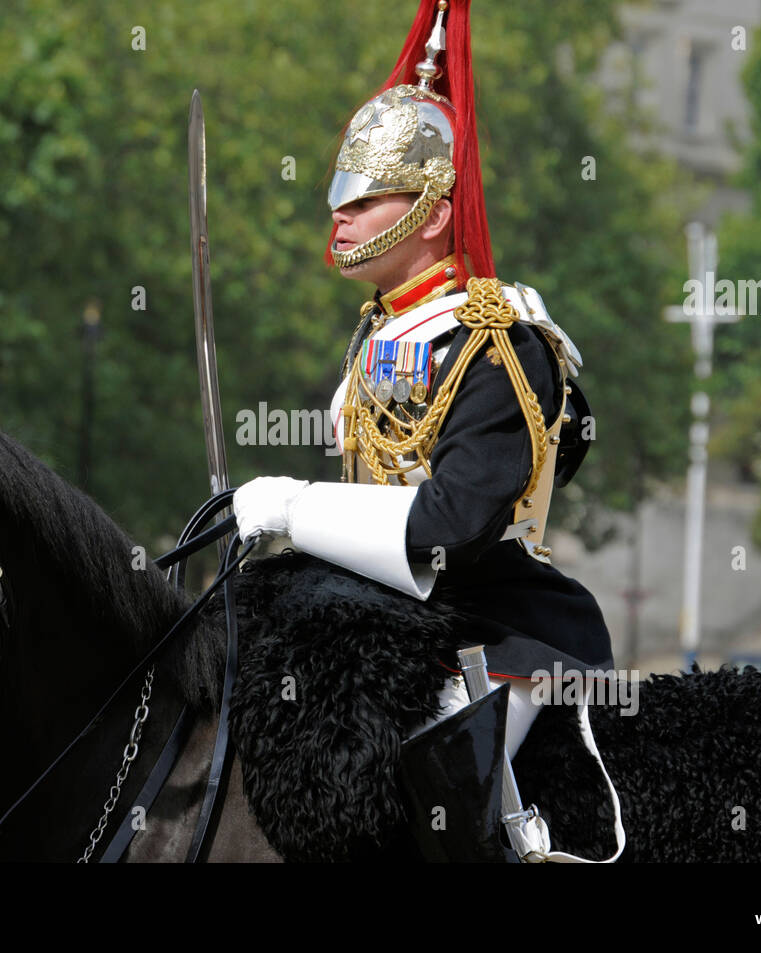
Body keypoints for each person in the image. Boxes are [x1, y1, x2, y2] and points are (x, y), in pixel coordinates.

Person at [231, 0, 616, 860]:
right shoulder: (376, 336)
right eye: (340, 198)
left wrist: (295, 507)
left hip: (496, 627)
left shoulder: (500, 339)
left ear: (432, 211)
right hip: (382, 618)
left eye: (363, 201)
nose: (339, 218)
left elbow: (454, 523)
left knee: (430, 802)